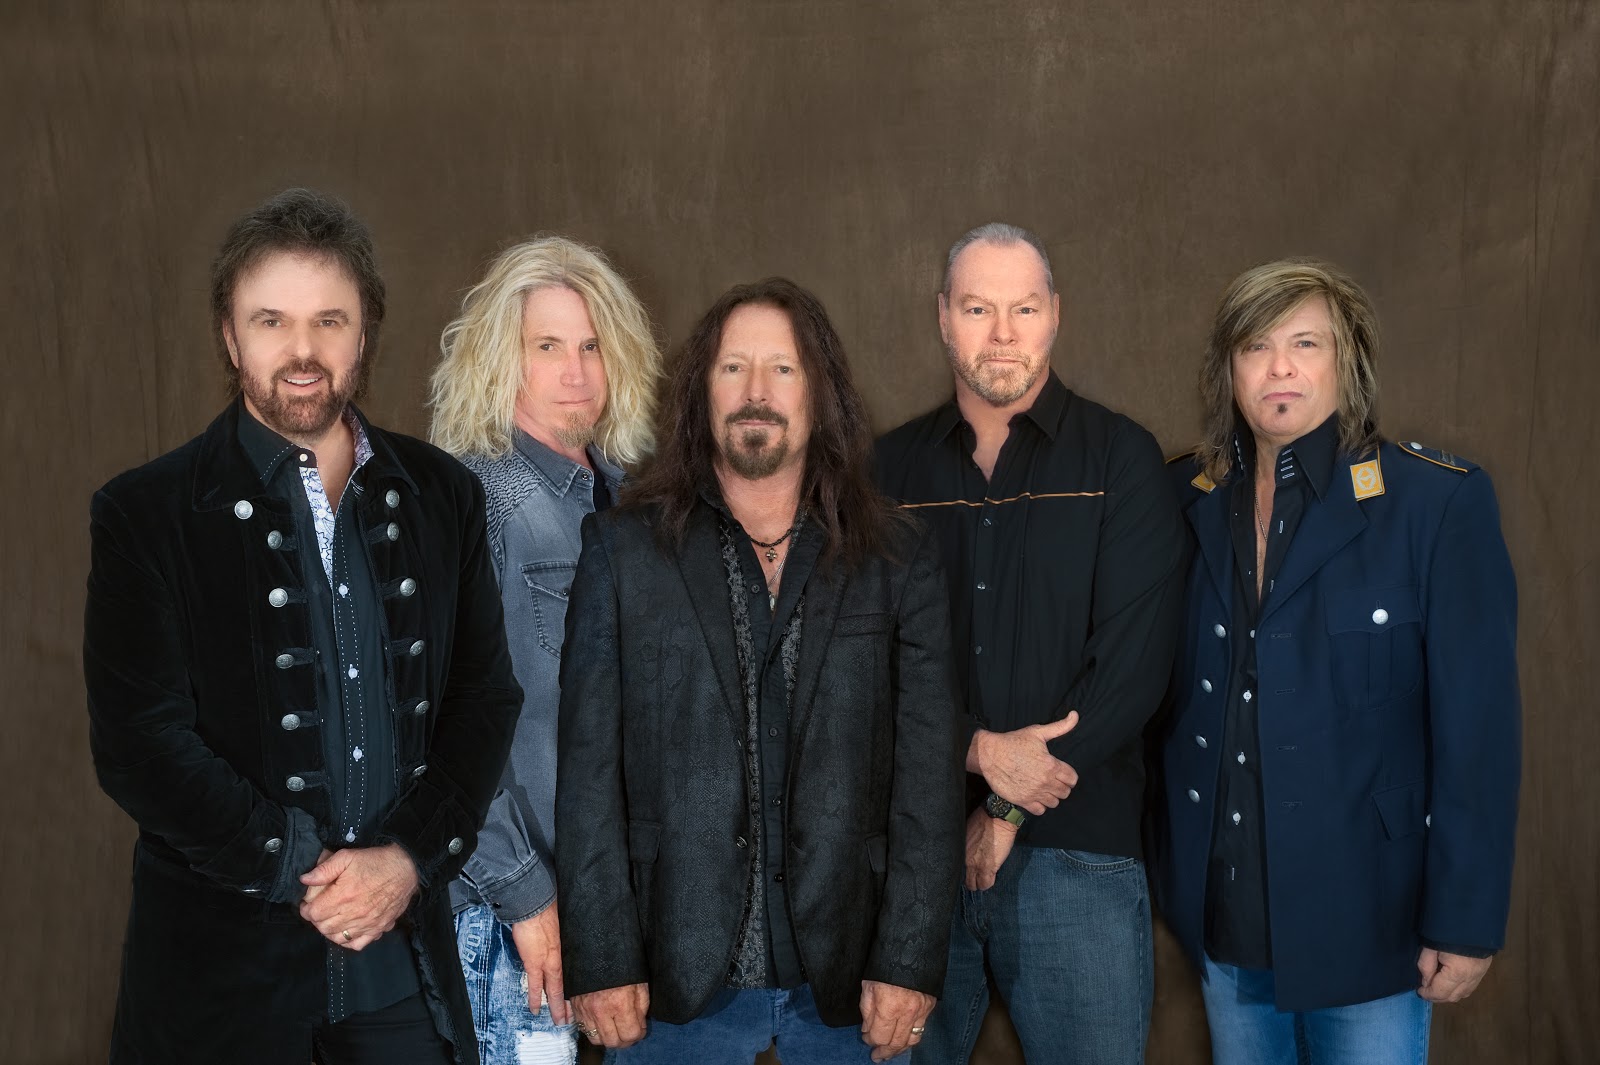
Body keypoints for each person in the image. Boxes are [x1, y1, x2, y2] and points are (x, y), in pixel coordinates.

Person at [84, 188, 522, 1064]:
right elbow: (140, 744)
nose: (302, 351)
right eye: (272, 321)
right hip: (220, 992)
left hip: (402, 982)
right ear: (230, 335)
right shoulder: (147, 513)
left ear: (365, 333)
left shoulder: (442, 495)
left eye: (330, 320)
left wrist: (405, 860)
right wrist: (295, 865)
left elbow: (483, 699)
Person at [555, 277, 965, 1063]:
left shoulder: (897, 557)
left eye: (783, 368)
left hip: (851, 975)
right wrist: (602, 958)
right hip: (670, 976)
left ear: (820, 393)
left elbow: (928, 777)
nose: (756, 392)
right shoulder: (621, 550)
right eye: (733, 367)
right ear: (700, 392)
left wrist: (909, 960)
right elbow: (587, 775)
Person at [1150, 258, 1520, 1063]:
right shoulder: (1184, 499)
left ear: (1347, 362)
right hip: (1227, 912)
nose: (1279, 367)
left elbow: (1479, 735)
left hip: (1370, 918)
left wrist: (1466, 919)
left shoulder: (1433, 504)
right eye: (1256, 346)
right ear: (1228, 370)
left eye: (1305, 343)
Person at [876, 222, 1187, 1064]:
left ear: (1056, 314)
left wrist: (1007, 805)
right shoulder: (888, 473)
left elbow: (1133, 668)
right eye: (979, 308)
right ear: (943, 317)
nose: (1003, 332)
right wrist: (977, 750)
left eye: (1024, 308)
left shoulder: (1121, 459)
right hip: (915, 856)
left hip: (1079, 855)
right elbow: (863, 662)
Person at [429, 236, 662, 1064]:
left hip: (611, 910)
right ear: (503, 360)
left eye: (593, 346)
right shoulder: (476, 500)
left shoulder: (629, 501)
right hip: (511, 921)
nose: (576, 372)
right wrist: (523, 892)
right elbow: (445, 727)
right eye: (548, 346)